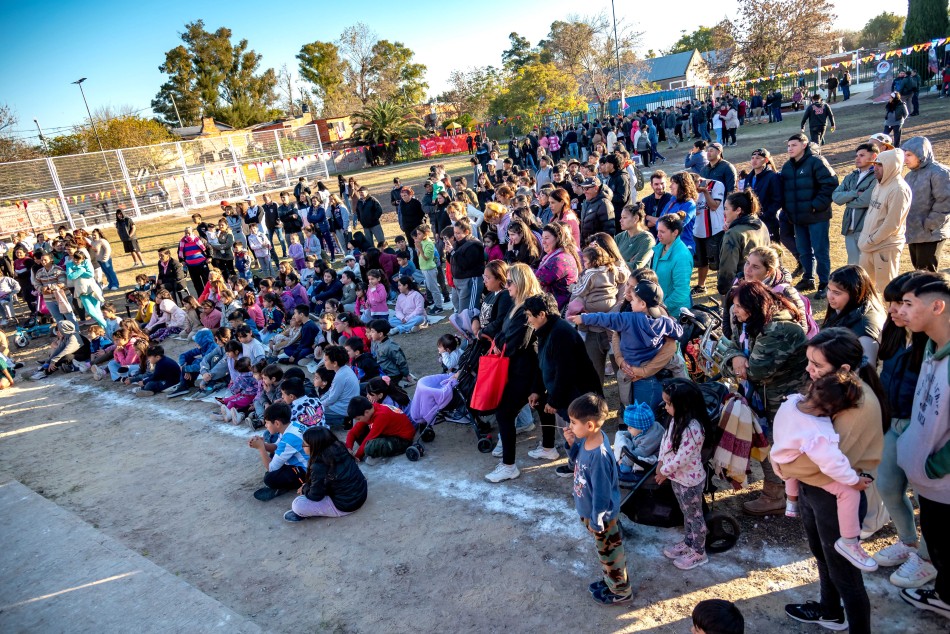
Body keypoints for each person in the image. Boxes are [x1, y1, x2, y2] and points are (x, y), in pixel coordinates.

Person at [783, 328, 884, 632]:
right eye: (808, 362)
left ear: (844, 368)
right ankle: (830, 610)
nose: (808, 370)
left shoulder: (858, 404)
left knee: (846, 574)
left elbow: (827, 464)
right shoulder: (832, 389)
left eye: (816, 365)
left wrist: (783, 463)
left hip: (836, 497)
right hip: (815, 491)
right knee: (823, 555)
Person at [772, 371, 877, 571]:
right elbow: (832, 464)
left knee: (793, 470)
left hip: (781, 454)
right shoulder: (819, 432)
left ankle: (791, 501)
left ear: (812, 387)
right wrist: (854, 480)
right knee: (849, 492)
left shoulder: (791, 402)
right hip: (795, 459)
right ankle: (849, 541)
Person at [720, 280, 808, 515]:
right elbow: (730, 346)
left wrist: (735, 362)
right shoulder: (752, 321)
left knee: (773, 446)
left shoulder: (777, 329)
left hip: (785, 400)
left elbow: (756, 371)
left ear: (754, 306)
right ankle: (783, 491)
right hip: (767, 396)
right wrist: (736, 357)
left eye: (739, 306)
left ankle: (776, 495)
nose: (735, 311)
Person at [873, 272, 938, 589]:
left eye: (902, 303)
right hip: (892, 422)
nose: (894, 310)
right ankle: (908, 541)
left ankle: (929, 558)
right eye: (892, 303)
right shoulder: (895, 332)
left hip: (923, 428)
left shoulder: (935, 341)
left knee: (929, 500)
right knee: (887, 485)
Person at [895, 272, 950, 619]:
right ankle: (944, 595)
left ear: (937, 307)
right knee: (938, 541)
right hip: (930, 483)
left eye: (907, 303)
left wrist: (934, 467)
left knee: (945, 545)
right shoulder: (930, 347)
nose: (900, 311)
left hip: (943, 482)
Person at [563, 393, 633, 605]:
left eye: (573, 422)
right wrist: (571, 444)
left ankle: (621, 591)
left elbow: (602, 494)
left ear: (590, 425)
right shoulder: (588, 440)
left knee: (611, 554)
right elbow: (576, 461)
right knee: (603, 552)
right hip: (591, 512)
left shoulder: (599, 456)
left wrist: (597, 519)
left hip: (602, 516)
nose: (570, 426)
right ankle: (611, 581)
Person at [570, 280, 682, 408]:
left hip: (632, 363)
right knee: (677, 364)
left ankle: (626, 406)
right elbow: (679, 332)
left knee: (623, 379)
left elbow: (605, 318)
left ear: (642, 304)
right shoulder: (664, 321)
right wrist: (671, 322)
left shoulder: (627, 318)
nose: (631, 302)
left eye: (633, 300)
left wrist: (583, 318)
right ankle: (685, 392)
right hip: (652, 359)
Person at [485, 263, 543, 483]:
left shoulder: (527, 307)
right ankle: (548, 447)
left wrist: (501, 345)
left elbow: (518, 342)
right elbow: (504, 332)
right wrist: (501, 341)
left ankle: (509, 466)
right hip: (521, 366)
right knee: (537, 406)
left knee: (505, 413)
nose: (506, 285)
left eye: (510, 282)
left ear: (521, 282)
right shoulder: (517, 304)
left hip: (526, 368)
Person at [655, 379, 713, 570]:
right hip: (677, 478)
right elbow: (665, 442)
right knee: (686, 513)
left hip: (689, 481)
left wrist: (663, 471)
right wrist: (661, 461)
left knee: (694, 516)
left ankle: (699, 551)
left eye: (668, 403)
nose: (665, 406)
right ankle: (689, 542)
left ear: (683, 404)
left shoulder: (693, 429)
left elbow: (682, 458)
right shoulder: (676, 420)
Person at [781, 133, 839, 299]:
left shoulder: (817, 161)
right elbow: (785, 190)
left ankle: (825, 283)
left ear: (804, 145)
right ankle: (808, 278)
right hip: (797, 217)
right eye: (788, 146)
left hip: (817, 216)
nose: (790, 149)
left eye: (794, 145)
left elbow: (831, 183)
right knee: (804, 250)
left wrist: (815, 205)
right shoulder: (787, 166)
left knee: (820, 250)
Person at [283, 426, 368, 522]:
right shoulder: (340, 447)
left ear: (315, 446)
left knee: (298, 504)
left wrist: (304, 489)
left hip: (346, 505)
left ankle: (311, 512)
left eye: (305, 444)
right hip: (360, 495)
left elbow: (315, 495)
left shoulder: (319, 465)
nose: (302, 446)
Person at [858, 149, 912, 291]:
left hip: (885, 246)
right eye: (875, 164)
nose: (875, 168)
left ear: (892, 166)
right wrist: (866, 240)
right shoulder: (879, 184)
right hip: (868, 245)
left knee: (886, 289)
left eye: (880, 165)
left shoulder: (899, 189)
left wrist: (872, 240)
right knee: (864, 288)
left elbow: (892, 224)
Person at [901, 137, 950, 272]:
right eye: (904, 155)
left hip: (931, 234)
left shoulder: (940, 173)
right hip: (914, 232)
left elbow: (945, 202)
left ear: (921, 154)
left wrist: (930, 224)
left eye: (909, 155)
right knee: (918, 271)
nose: (905, 159)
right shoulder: (909, 176)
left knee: (927, 274)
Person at [822, 265, 886, 367]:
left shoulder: (864, 330)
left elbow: (866, 372)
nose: (829, 296)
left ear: (855, 294)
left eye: (837, 293)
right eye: (829, 289)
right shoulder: (843, 307)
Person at [248, 402, 307, 501]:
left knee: (269, 479)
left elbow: (271, 468)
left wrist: (261, 448)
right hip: (305, 462)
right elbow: (276, 446)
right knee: (273, 454)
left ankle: (288, 486)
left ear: (277, 423)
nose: (265, 425)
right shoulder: (292, 425)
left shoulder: (289, 439)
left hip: (306, 472)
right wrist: (263, 444)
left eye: (267, 422)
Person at [717, 190, 771, 296]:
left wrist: (724, 290)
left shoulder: (733, 234)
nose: (724, 212)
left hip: (741, 290)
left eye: (726, 208)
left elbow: (727, 270)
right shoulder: (761, 225)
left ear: (738, 210)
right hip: (763, 285)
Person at [833, 144, 879, 266]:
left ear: (874, 156)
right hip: (850, 228)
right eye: (856, 155)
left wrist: (847, 200)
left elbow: (866, 201)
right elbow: (836, 197)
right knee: (852, 265)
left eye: (862, 155)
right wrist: (855, 193)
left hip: (867, 228)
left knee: (867, 266)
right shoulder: (851, 176)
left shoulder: (876, 177)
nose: (857, 158)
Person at [650, 213, 693, 319]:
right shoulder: (659, 248)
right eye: (658, 231)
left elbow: (681, 291)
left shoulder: (682, 256)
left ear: (675, 232)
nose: (658, 235)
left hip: (675, 315)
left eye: (662, 232)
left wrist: (661, 307)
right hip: (660, 310)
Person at [534, 222, 580, 313]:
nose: (543, 242)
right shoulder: (558, 255)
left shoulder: (559, 260)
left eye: (547, 238)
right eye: (542, 238)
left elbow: (535, 280)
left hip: (556, 308)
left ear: (557, 239)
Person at [744, 149, 783, 245]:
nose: (754, 160)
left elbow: (778, 200)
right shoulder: (749, 177)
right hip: (752, 220)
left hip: (769, 221)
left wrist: (766, 214)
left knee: (772, 249)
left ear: (766, 160)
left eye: (758, 158)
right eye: (752, 158)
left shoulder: (772, 177)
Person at [319, 345, 361, 427]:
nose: (324, 362)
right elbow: (331, 391)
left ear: (335, 363)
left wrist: (318, 405)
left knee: (314, 414)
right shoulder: (344, 369)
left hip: (343, 409)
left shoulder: (340, 376)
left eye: (326, 360)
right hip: (347, 405)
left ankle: (343, 421)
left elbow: (332, 399)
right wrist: (320, 401)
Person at [614, 203, 655, 271]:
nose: (620, 220)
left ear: (635, 219)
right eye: (621, 217)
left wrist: (617, 262)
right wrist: (625, 263)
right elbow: (606, 259)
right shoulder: (619, 237)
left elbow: (636, 267)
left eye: (624, 217)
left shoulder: (647, 240)